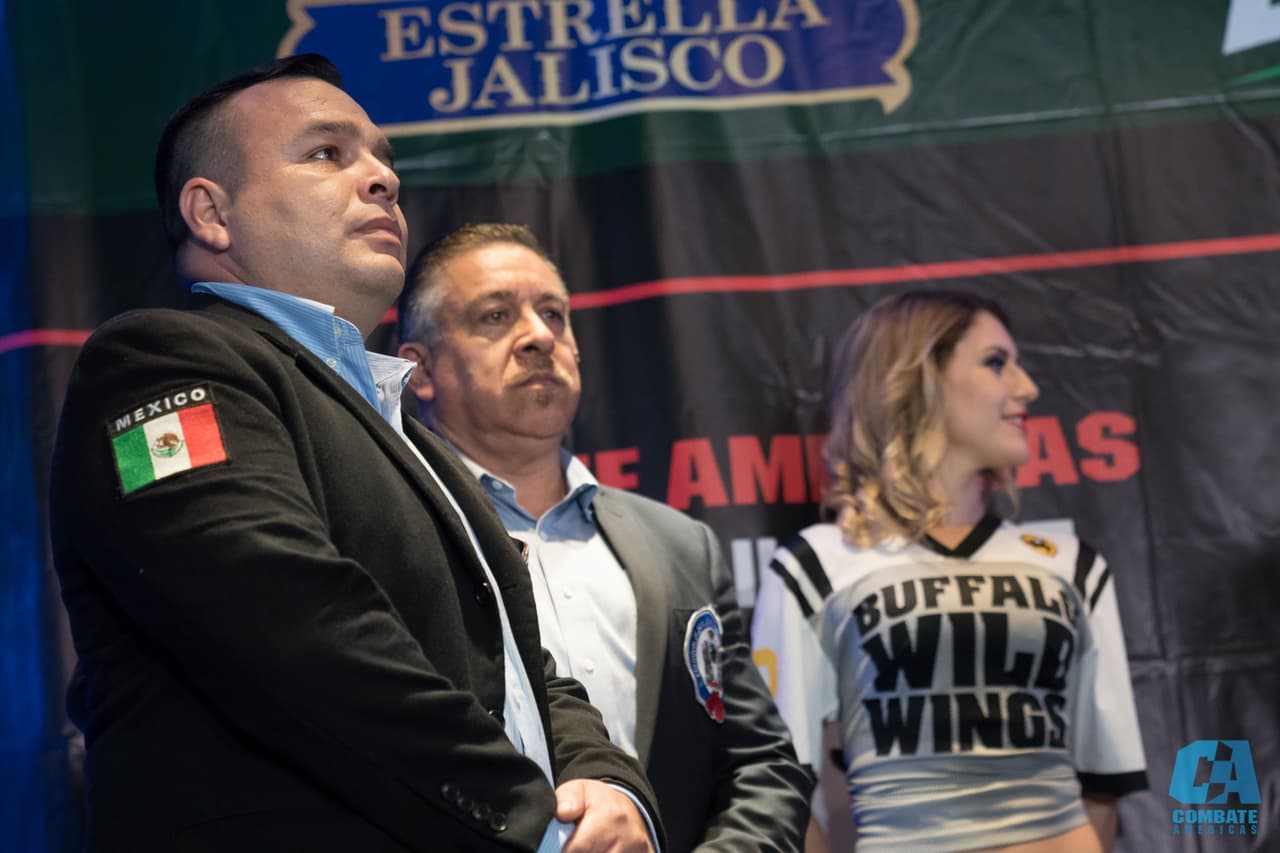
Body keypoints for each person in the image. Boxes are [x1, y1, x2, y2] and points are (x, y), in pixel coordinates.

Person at [49, 55, 663, 853]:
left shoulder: (418, 445)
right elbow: (289, 624)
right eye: (327, 153)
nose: (381, 179)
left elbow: (525, 669)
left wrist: (611, 788)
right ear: (211, 212)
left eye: (383, 160)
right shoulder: (161, 364)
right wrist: (535, 822)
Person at [396, 222, 815, 852]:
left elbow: (762, 766)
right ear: (419, 371)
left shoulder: (679, 544)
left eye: (553, 315)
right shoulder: (395, 532)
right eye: (495, 315)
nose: (539, 336)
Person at [751, 291, 1148, 853]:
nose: (1026, 388)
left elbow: (1104, 782)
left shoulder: (1071, 564)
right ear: (920, 379)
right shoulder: (815, 566)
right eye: (995, 363)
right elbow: (780, 786)